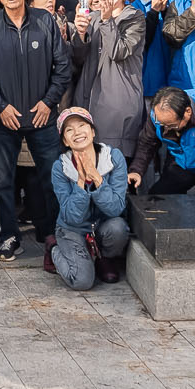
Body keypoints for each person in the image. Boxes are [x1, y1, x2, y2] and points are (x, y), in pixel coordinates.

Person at [0, 0, 72, 263]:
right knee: (3, 179)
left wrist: (48, 102)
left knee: (52, 177)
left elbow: (62, 67)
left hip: (43, 117)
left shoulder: (44, 21)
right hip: (4, 119)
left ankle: (53, 233)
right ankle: (9, 234)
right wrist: (0, 106)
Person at [69, 0, 148, 161]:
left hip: (117, 102)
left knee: (114, 164)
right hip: (87, 97)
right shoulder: (93, 17)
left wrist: (106, 21)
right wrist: (79, 34)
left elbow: (119, 51)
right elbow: (78, 59)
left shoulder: (134, 18)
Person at [49, 107, 131, 290]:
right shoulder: (60, 168)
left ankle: (105, 259)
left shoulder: (113, 158)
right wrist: (80, 182)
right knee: (82, 281)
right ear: (65, 140)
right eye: (69, 130)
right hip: (72, 228)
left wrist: (97, 179)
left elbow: (116, 208)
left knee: (118, 227)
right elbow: (71, 217)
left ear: (93, 131)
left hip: (103, 225)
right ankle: (54, 250)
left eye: (82, 125)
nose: (77, 132)